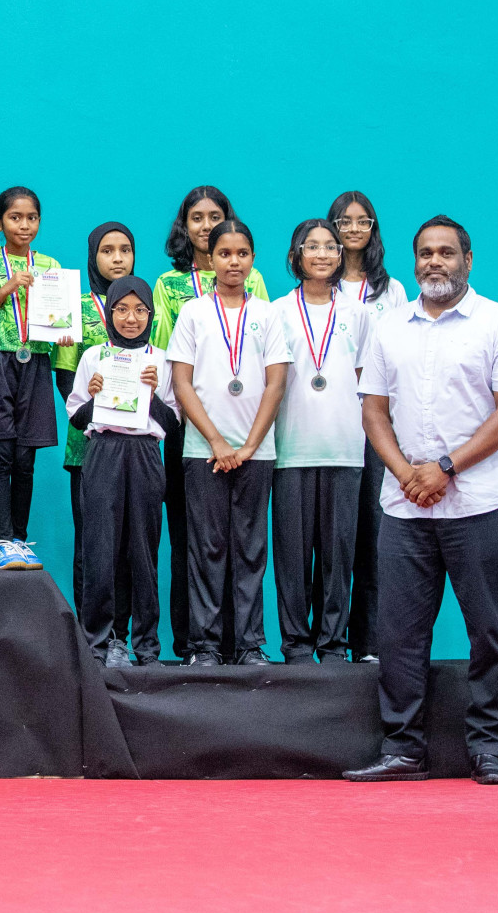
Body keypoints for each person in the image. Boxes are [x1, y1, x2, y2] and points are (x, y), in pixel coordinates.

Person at [345, 216, 498, 785]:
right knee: (399, 634)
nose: (434, 262)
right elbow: (373, 410)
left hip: (478, 503)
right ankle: (403, 749)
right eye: (425, 253)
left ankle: (489, 749)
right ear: (414, 261)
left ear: (467, 261)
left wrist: (447, 468)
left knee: (489, 630)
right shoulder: (390, 329)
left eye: (446, 253)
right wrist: (407, 473)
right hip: (406, 506)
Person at [151, 187, 269, 659]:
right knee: (193, 537)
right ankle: (193, 641)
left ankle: (242, 643)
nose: (204, 225)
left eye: (214, 217)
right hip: (188, 423)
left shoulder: (254, 282)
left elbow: (260, 355)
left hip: (246, 427)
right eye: (196, 218)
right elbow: (162, 356)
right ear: (185, 226)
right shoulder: (168, 285)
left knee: (244, 540)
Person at [167, 219, 290, 666]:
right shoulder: (194, 312)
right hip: (204, 451)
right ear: (210, 258)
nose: (233, 261)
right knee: (206, 548)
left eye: (242, 253)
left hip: (257, 452)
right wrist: (217, 442)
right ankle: (204, 646)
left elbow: (276, 384)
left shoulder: (268, 314)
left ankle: (250, 645)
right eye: (224, 253)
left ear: (252, 259)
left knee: (251, 548)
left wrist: (249, 445)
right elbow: (181, 383)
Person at [65, 276, 177, 667]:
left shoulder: (161, 359)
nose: (131, 318)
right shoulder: (94, 356)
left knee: (142, 550)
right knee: (101, 548)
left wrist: (154, 392)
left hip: (146, 453)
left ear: (151, 313)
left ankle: (146, 647)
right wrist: (96, 396)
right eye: (122, 309)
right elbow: (78, 419)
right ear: (110, 312)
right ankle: (100, 643)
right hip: (103, 452)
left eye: (140, 310)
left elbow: (174, 422)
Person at [270, 219, 368, 664]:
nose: (325, 254)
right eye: (314, 247)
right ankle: (294, 645)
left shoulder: (359, 313)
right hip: (290, 449)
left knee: (338, 555)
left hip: (346, 447)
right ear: (296, 255)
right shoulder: (275, 312)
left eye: (331, 246)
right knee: (292, 557)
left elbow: (369, 381)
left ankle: (332, 644)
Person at [0, 186, 63, 571]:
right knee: (1, 455)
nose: (24, 225)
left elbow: (56, 323)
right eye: (15, 217)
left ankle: (20, 540)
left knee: (26, 459)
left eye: (31, 217)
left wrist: (63, 331)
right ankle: (2, 541)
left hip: (34, 366)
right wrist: (7, 287)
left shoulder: (50, 266)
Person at [328, 190, 407, 664]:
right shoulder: (318, 284)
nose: (355, 229)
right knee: (337, 539)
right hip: (330, 423)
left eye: (364, 221)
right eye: (345, 221)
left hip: (380, 426)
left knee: (377, 536)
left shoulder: (391, 290)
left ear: (374, 229)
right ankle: (330, 644)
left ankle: (371, 644)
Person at [52, 222, 137, 603]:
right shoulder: (75, 305)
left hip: (136, 444)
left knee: (131, 543)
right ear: (93, 256)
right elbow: (66, 379)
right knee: (91, 542)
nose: (117, 258)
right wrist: (94, 416)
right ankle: (89, 642)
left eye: (125, 249)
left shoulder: (141, 304)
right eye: (107, 250)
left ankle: (125, 638)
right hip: (86, 445)